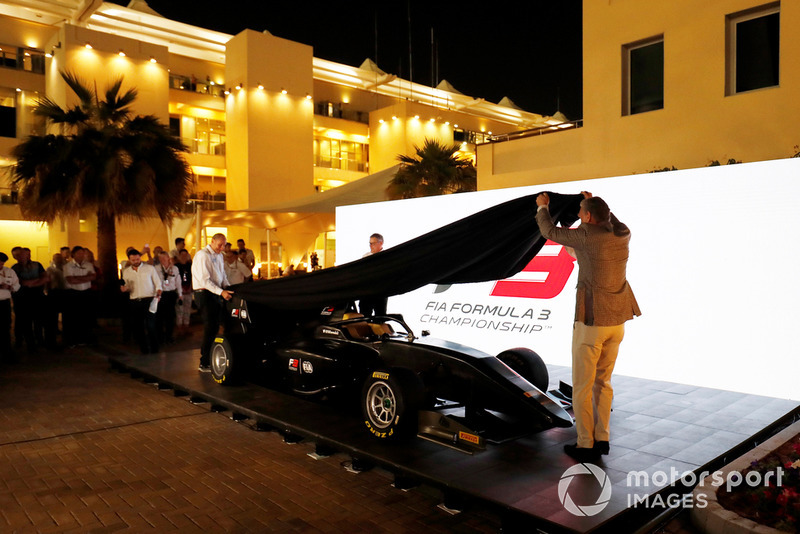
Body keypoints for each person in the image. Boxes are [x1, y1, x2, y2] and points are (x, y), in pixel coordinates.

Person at [535, 191, 641, 462]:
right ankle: (602, 438)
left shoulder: (586, 236)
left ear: (588, 217)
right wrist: (594, 202)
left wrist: (543, 206)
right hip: (617, 322)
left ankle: (585, 443)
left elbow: (547, 230)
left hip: (592, 323)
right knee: (603, 383)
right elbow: (608, 219)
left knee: (582, 386)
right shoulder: (622, 233)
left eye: (581, 211)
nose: (579, 215)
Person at [191, 234, 232, 372]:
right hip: (204, 293)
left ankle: (213, 356)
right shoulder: (203, 255)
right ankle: (204, 362)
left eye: (224, 245)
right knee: (210, 326)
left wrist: (228, 287)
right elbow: (204, 280)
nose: (221, 248)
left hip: (215, 292)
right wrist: (221, 292)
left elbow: (222, 274)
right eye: (219, 245)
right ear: (212, 241)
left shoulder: (219, 256)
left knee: (216, 326)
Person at [120, 249, 162, 354]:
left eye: (137, 259)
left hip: (149, 299)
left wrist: (158, 294)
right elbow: (127, 285)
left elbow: (158, 283)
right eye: (133, 260)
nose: (136, 261)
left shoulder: (149, 268)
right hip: (135, 300)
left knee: (150, 325)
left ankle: (154, 348)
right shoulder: (126, 272)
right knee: (138, 326)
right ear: (129, 260)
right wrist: (125, 289)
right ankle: (144, 349)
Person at [11, 248, 47, 353]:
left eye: (24, 254)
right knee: (25, 322)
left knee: (38, 320)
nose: (22, 257)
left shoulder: (37, 265)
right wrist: (37, 280)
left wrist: (31, 284)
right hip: (22, 299)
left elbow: (45, 278)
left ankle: (40, 340)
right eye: (19, 255)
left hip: (37, 297)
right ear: (16, 257)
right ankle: (30, 344)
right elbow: (21, 282)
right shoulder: (14, 268)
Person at [63, 246, 97, 347]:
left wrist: (78, 278)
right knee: (73, 318)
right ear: (73, 254)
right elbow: (71, 280)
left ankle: (84, 339)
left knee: (85, 317)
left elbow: (93, 276)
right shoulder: (68, 266)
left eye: (83, 253)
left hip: (86, 293)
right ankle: (72, 340)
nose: (81, 255)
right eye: (79, 253)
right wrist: (87, 278)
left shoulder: (89, 265)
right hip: (73, 293)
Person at [358, 233, 388, 317]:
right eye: (370, 243)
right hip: (366, 292)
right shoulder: (366, 256)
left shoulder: (386, 256)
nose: (371, 246)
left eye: (373, 243)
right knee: (364, 315)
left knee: (380, 316)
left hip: (381, 292)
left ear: (381, 243)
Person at [155, 251, 181, 345]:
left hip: (171, 294)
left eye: (163, 258)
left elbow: (178, 281)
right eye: (160, 258)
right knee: (159, 317)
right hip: (161, 294)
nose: (162, 260)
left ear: (168, 258)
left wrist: (180, 294)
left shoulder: (174, 269)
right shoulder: (156, 269)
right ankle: (160, 337)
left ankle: (169, 336)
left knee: (170, 317)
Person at [0, 252, 21, 363]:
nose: (0, 265)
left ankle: (7, 353)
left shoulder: (9, 271)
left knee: (5, 328)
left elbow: (17, 285)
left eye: (2, 263)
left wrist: (10, 287)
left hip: (4, 303)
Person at [45, 253, 66, 349]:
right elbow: (47, 282)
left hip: (64, 293)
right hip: (53, 293)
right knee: (52, 318)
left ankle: (65, 339)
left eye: (60, 258)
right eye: (56, 258)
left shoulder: (66, 268)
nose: (58, 260)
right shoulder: (50, 269)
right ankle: (51, 341)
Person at [174, 249, 193, 332]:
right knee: (179, 310)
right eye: (182, 255)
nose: (184, 257)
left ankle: (186, 325)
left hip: (188, 288)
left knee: (187, 309)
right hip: (180, 290)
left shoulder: (190, 265)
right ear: (179, 256)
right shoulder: (176, 266)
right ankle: (179, 327)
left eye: (186, 255)